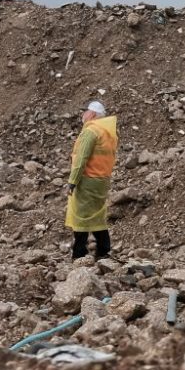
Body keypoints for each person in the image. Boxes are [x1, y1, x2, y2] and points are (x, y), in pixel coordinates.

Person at [66, 100, 117, 261]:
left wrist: (73, 181)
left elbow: (82, 158)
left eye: (86, 111)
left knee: (81, 217)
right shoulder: (108, 132)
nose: (83, 114)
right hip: (102, 180)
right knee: (97, 215)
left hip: (88, 179)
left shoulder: (91, 131)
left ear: (92, 114)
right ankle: (103, 249)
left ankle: (79, 253)